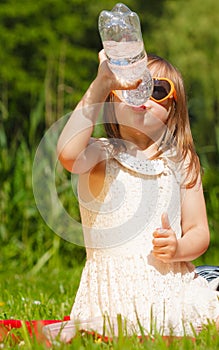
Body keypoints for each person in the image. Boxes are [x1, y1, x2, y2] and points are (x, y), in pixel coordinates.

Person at [50, 49, 219, 340]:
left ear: (173, 107)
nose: (143, 96)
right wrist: (100, 85)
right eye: (133, 86)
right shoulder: (100, 153)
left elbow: (198, 230)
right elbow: (67, 153)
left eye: (157, 90)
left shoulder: (181, 161)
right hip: (111, 294)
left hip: (172, 287)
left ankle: (208, 277)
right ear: (113, 98)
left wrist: (179, 247)